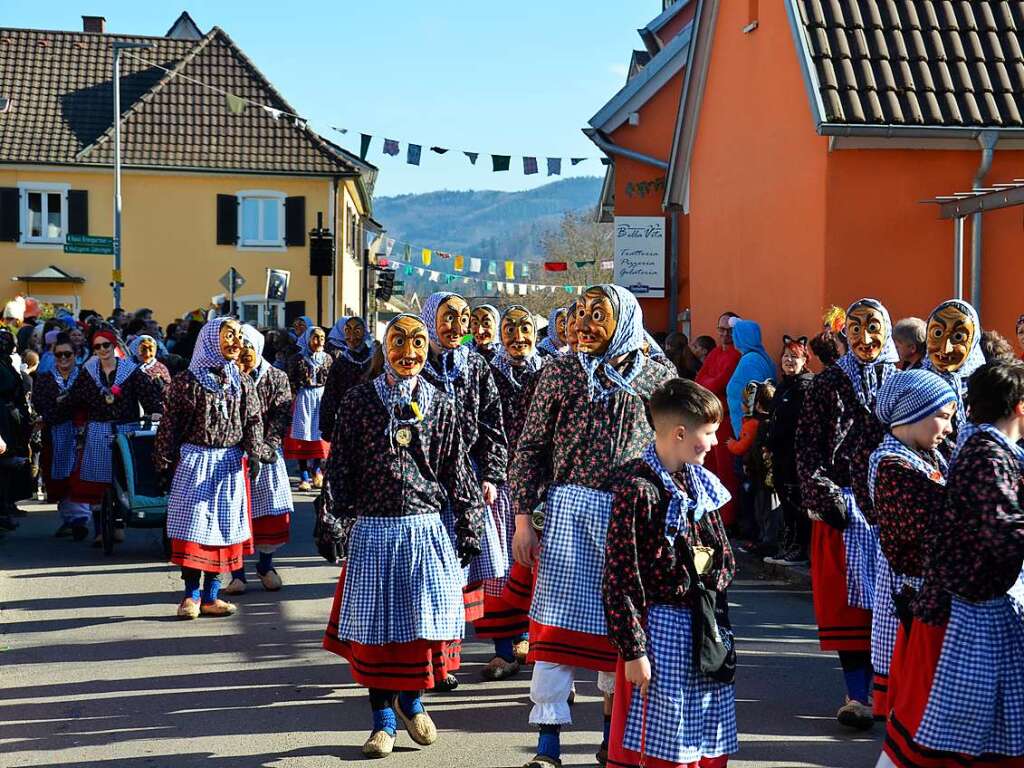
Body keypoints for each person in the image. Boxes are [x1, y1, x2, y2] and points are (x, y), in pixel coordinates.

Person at [509, 284, 674, 768]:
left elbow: (674, 455)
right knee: (554, 633)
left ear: (624, 318)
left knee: (619, 631)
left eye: (596, 314)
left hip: (629, 521)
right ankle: (547, 746)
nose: (582, 323)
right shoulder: (560, 371)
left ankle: (610, 741)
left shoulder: (656, 378)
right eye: (579, 312)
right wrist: (523, 518)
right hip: (568, 515)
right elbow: (531, 447)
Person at [321, 313, 484, 758]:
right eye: (398, 341)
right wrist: (331, 518)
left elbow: (457, 469)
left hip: (425, 529)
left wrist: (470, 520)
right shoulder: (358, 401)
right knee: (376, 633)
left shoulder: (441, 404)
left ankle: (413, 702)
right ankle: (382, 722)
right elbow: (340, 468)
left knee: (419, 629)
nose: (408, 352)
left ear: (427, 347)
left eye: (416, 343)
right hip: (374, 529)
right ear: (384, 347)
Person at [879, 361, 1024, 768]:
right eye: (940, 415)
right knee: (935, 725)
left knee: (962, 723)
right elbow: (1003, 528)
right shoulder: (984, 454)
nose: (947, 425)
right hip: (956, 610)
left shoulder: (986, 450)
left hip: (967, 603)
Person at [604, 378, 737, 768]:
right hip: (661, 630)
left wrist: (715, 576)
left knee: (706, 738)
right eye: (708, 433)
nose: (714, 442)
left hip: (703, 625)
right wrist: (634, 651)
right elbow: (620, 576)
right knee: (667, 743)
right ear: (680, 433)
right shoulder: (637, 489)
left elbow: (724, 554)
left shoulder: (699, 484)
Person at [796, 298, 899, 730]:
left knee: (892, 609)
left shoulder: (903, 382)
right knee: (847, 611)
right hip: (842, 511)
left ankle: (889, 694)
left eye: (872, 327)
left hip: (893, 511)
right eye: (854, 329)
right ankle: (856, 695)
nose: (864, 338)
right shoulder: (826, 385)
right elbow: (807, 448)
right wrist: (827, 497)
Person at [154, 318, 274, 619]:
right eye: (228, 336)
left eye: (238, 336)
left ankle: (212, 595)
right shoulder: (187, 381)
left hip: (230, 463)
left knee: (223, 530)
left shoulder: (241, 381)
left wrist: (257, 453)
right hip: (196, 460)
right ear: (210, 340)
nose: (236, 342)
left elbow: (253, 421)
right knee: (195, 529)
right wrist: (163, 461)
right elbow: (170, 424)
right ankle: (191, 596)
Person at [419, 291, 508, 692]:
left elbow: (492, 424)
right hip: (424, 482)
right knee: (429, 577)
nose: (457, 326)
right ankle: (430, 662)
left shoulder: (475, 365)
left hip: (468, 479)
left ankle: (454, 658)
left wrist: (490, 474)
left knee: (465, 574)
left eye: (463, 318)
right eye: (448, 317)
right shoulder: (414, 364)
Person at [866, 369, 955, 724]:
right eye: (943, 417)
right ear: (912, 413)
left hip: (923, 588)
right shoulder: (893, 465)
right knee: (917, 701)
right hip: (911, 589)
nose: (948, 428)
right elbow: (921, 531)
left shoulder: (926, 455)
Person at [476, 305, 544, 680]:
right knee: (500, 569)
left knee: (538, 568)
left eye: (525, 329)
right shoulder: (486, 372)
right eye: (511, 330)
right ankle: (503, 648)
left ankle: (535, 644)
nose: (518, 338)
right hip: (500, 482)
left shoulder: (550, 371)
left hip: (541, 485)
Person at [67, 326, 164, 545]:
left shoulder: (131, 370)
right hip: (98, 429)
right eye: (97, 346)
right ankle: (101, 531)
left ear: (115, 346)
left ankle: (119, 525)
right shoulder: (88, 371)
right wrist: (61, 403)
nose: (102, 350)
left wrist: (155, 409)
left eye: (106, 345)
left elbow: (148, 394)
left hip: (125, 428)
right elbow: (75, 397)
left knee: (124, 477)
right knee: (99, 482)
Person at [223, 325, 294, 594]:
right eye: (241, 347)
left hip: (266, 453)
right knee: (236, 513)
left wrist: (267, 446)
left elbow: (282, 414)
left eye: (249, 347)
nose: (245, 353)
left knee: (267, 512)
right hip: (234, 453)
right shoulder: (226, 376)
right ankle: (237, 572)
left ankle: (265, 565)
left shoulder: (276, 377)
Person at [31, 333, 90, 539]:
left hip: (81, 434)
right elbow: (41, 405)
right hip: (55, 434)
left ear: (76, 354)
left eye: (67, 354)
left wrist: (63, 403)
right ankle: (70, 519)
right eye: (58, 355)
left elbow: (89, 403)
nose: (63, 359)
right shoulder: (45, 379)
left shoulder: (85, 376)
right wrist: (64, 405)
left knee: (79, 475)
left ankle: (80, 518)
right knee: (58, 479)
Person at [765, 336, 814, 567]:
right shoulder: (784, 385)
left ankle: (800, 548)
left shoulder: (805, 387)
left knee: (797, 502)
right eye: (785, 356)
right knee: (786, 502)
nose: (788, 361)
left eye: (794, 357)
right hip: (780, 454)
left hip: (795, 455)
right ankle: (789, 545)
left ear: (805, 360)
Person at [696, 313, 742, 527]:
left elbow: (717, 383)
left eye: (729, 330)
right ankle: (713, 515)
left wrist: (709, 382)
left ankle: (728, 518)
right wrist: (709, 382)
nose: (724, 334)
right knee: (709, 468)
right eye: (721, 329)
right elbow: (699, 381)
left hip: (725, 420)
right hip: (710, 418)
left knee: (726, 471)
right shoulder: (716, 352)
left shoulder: (736, 354)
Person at [727, 379, 778, 555]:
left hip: (758, 473)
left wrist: (731, 444)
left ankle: (760, 539)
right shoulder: (765, 422)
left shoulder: (754, 424)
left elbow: (744, 447)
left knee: (758, 507)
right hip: (761, 472)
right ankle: (761, 538)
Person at [923, 299, 985, 444]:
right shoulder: (916, 383)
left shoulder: (985, 387)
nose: (946, 349)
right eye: (937, 333)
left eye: (959, 337)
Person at [284, 324, 332, 491]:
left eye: (322, 338)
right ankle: (304, 475)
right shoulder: (297, 359)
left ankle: (316, 469)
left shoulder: (327, 358)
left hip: (321, 397)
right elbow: (290, 380)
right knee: (302, 438)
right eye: (316, 337)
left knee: (320, 436)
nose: (319, 341)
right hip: (304, 397)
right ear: (308, 339)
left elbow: (331, 380)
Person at [321, 316, 375, 440]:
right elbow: (330, 394)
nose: (351, 337)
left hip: (372, 418)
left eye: (357, 331)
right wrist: (327, 425)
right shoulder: (340, 362)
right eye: (347, 331)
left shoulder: (373, 360)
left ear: (364, 332)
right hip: (347, 419)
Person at [0, 327, 32, 534]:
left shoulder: (6, 363)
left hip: (11, 420)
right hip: (3, 420)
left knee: (8, 466)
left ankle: (6, 507)